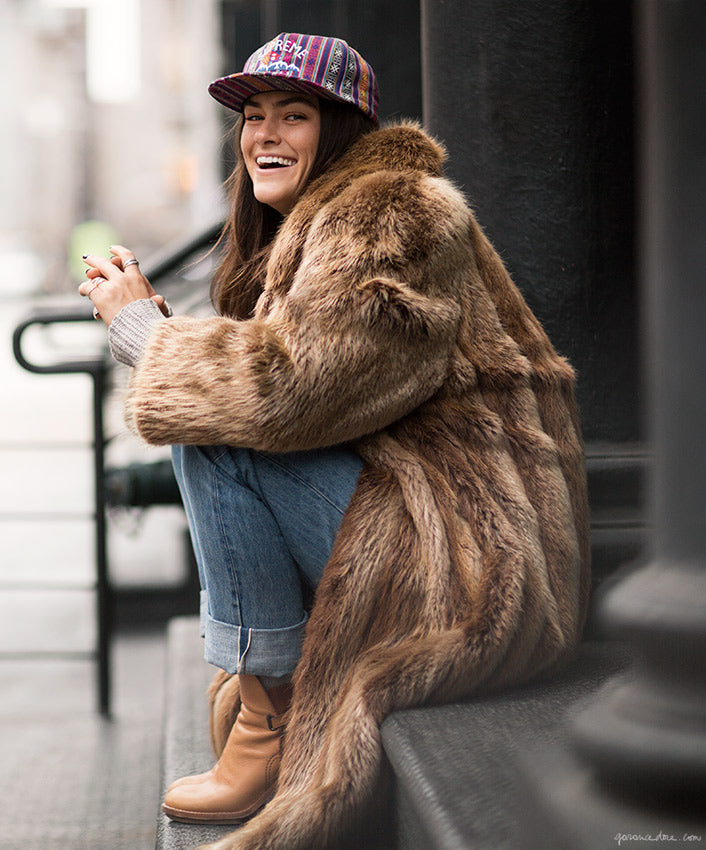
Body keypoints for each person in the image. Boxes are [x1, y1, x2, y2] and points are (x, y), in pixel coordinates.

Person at [79, 32, 588, 848]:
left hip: (474, 570)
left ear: (342, 130)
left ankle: (265, 713)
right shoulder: (319, 225)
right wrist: (167, 338)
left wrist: (143, 331)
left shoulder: (391, 213)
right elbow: (315, 384)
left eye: (295, 115)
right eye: (253, 117)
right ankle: (262, 692)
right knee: (207, 407)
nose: (264, 136)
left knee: (214, 430)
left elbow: (287, 394)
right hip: (431, 531)